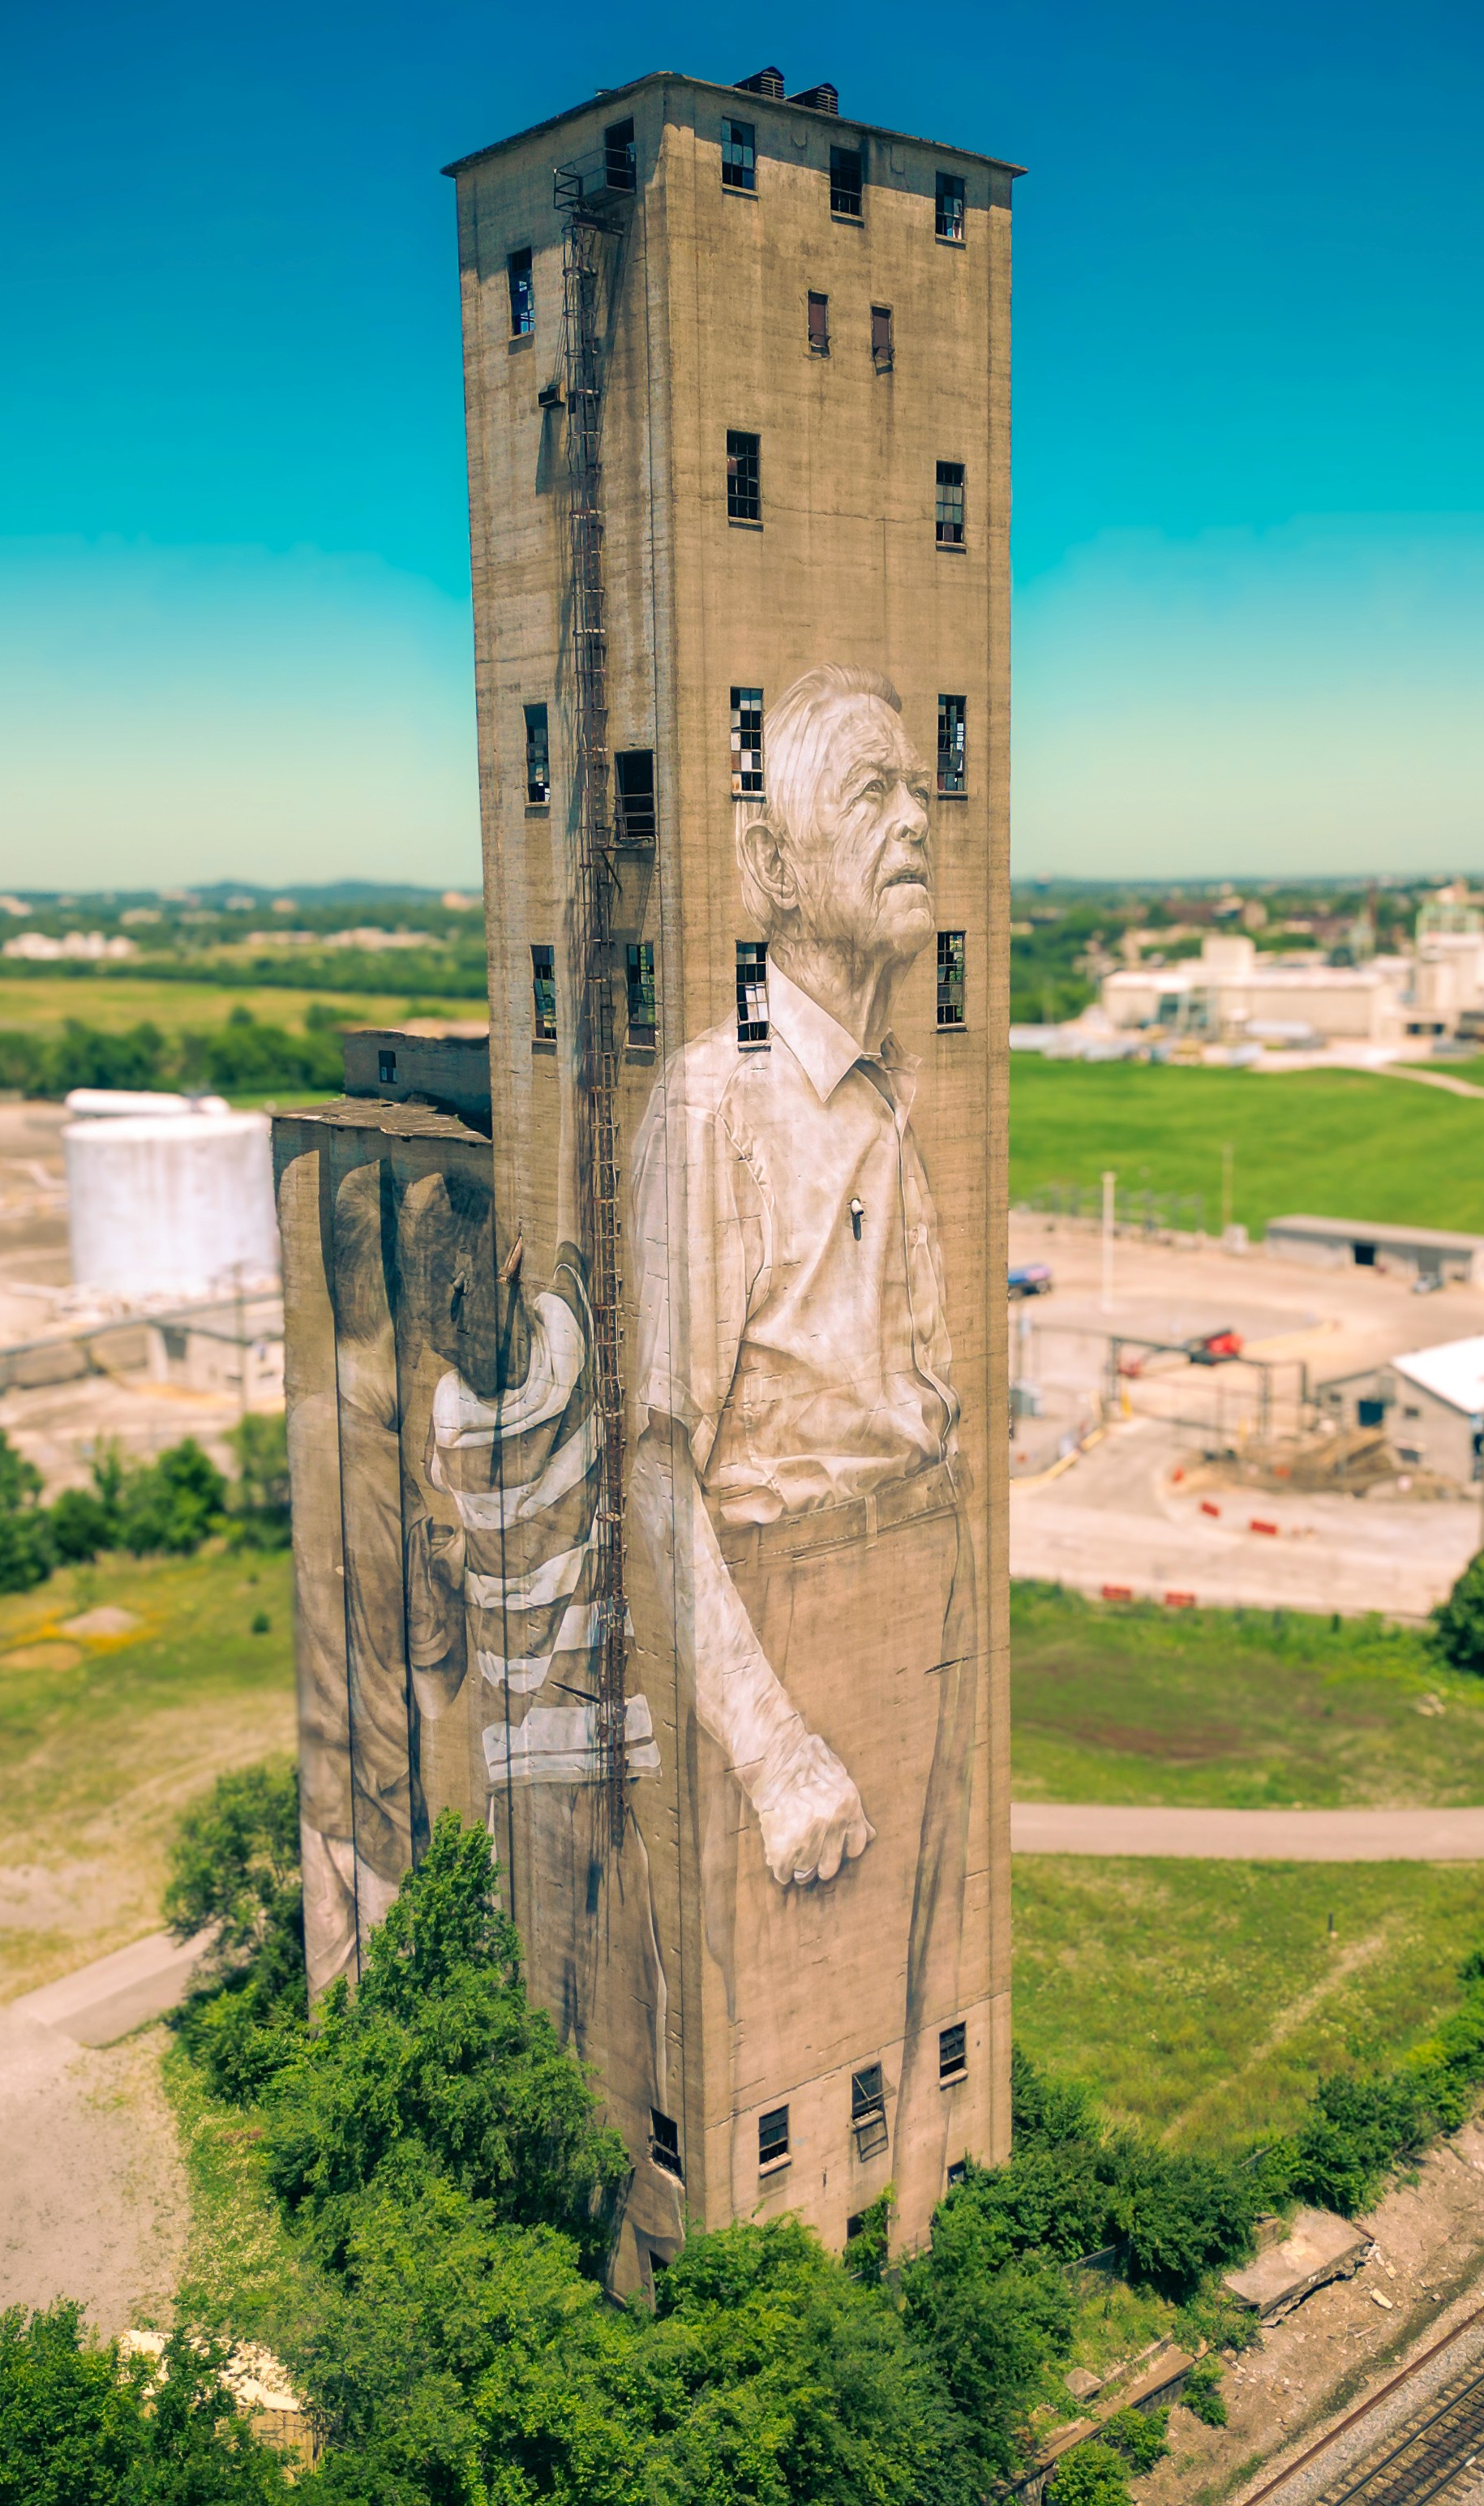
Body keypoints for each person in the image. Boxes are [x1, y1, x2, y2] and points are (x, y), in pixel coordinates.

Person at [633, 662, 977, 2215]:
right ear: (771, 866)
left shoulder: (883, 1097)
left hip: (916, 1629)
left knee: (924, 2042)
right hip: (789, 1661)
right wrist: (773, 1752)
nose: (916, 822)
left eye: (919, 787)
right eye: (870, 793)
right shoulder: (718, 1111)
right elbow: (653, 1468)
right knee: (799, 2067)